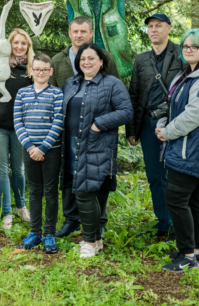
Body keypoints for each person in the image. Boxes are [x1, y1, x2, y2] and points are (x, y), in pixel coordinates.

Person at [156, 29, 199, 273]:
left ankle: (186, 256)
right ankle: (197, 251)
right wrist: (164, 124)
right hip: (184, 143)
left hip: (194, 146)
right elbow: (175, 108)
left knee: (176, 199)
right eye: (185, 46)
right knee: (193, 198)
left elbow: (194, 116)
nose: (188, 50)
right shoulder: (189, 74)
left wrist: (167, 132)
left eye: (194, 47)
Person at [50, 16, 121, 238]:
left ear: (91, 34)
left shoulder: (105, 56)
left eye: (83, 31)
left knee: (97, 175)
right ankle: (72, 219)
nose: (79, 35)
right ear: (69, 33)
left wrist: (103, 124)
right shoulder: (58, 60)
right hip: (68, 132)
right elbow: (54, 97)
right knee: (70, 174)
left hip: (97, 133)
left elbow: (117, 95)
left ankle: (98, 221)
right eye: (75, 31)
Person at [62, 44, 132, 258]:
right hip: (71, 145)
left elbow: (126, 111)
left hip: (97, 145)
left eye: (92, 58)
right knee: (84, 190)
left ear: (102, 62)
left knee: (86, 192)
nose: (86, 62)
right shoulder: (70, 83)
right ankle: (97, 240)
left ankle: (90, 242)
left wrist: (97, 124)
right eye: (83, 59)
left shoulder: (112, 84)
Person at [126, 13, 182, 238]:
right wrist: (132, 129)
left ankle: (179, 223)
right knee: (154, 175)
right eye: (150, 26)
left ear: (169, 28)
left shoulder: (181, 54)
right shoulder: (141, 59)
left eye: (159, 26)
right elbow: (134, 94)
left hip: (175, 124)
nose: (154, 30)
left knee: (174, 174)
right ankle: (163, 222)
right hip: (148, 124)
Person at [0, 28, 34, 230]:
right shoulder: (0, 67)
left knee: (19, 170)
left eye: (24, 43)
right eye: (16, 43)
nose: (19, 47)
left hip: (22, 127)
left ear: (28, 47)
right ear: (9, 45)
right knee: (2, 170)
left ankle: (21, 206)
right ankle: (6, 212)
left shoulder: (31, 69)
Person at [14, 53, 64, 253]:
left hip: (51, 151)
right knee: (34, 192)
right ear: (31, 71)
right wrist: (30, 147)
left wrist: (43, 148)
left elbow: (58, 121)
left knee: (51, 192)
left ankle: (49, 234)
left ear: (50, 71)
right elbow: (18, 122)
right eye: (37, 69)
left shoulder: (57, 94)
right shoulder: (22, 93)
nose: (41, 73)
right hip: (29, 150)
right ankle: (35, 232)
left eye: (45, 69)